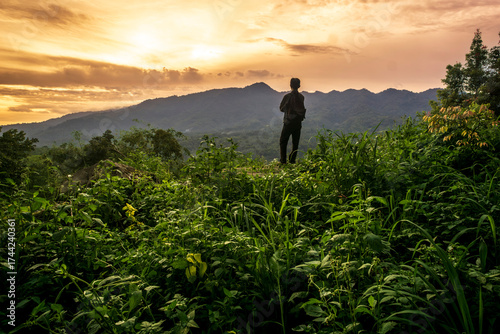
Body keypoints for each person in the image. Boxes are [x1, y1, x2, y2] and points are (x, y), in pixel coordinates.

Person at [279, 78, 306, 164]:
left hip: (288, 122)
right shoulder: (301, 97)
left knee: (283, 141)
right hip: (298, 123)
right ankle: (292, 160)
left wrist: (287, 107)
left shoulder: (287, 97)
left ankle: (283, 161)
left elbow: (281, 109)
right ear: (299, 86)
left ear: (290, 85)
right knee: (295, 143)